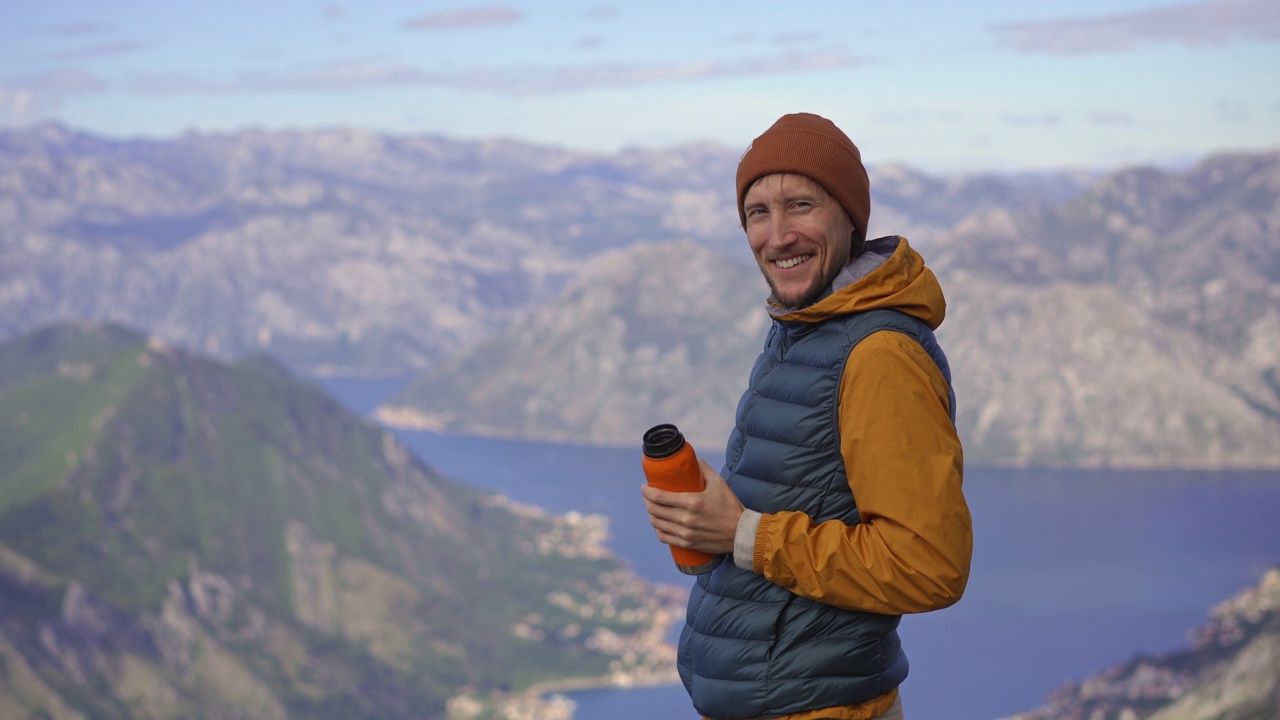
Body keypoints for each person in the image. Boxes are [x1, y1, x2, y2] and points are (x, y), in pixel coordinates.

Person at [641, 112, 973, 720]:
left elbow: (929, 565)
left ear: (849, 216)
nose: (777, 236)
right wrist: (711, 515)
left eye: (800, 206)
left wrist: (743, 533)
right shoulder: (808, 328)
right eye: (757, 213)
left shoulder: (879, 353)